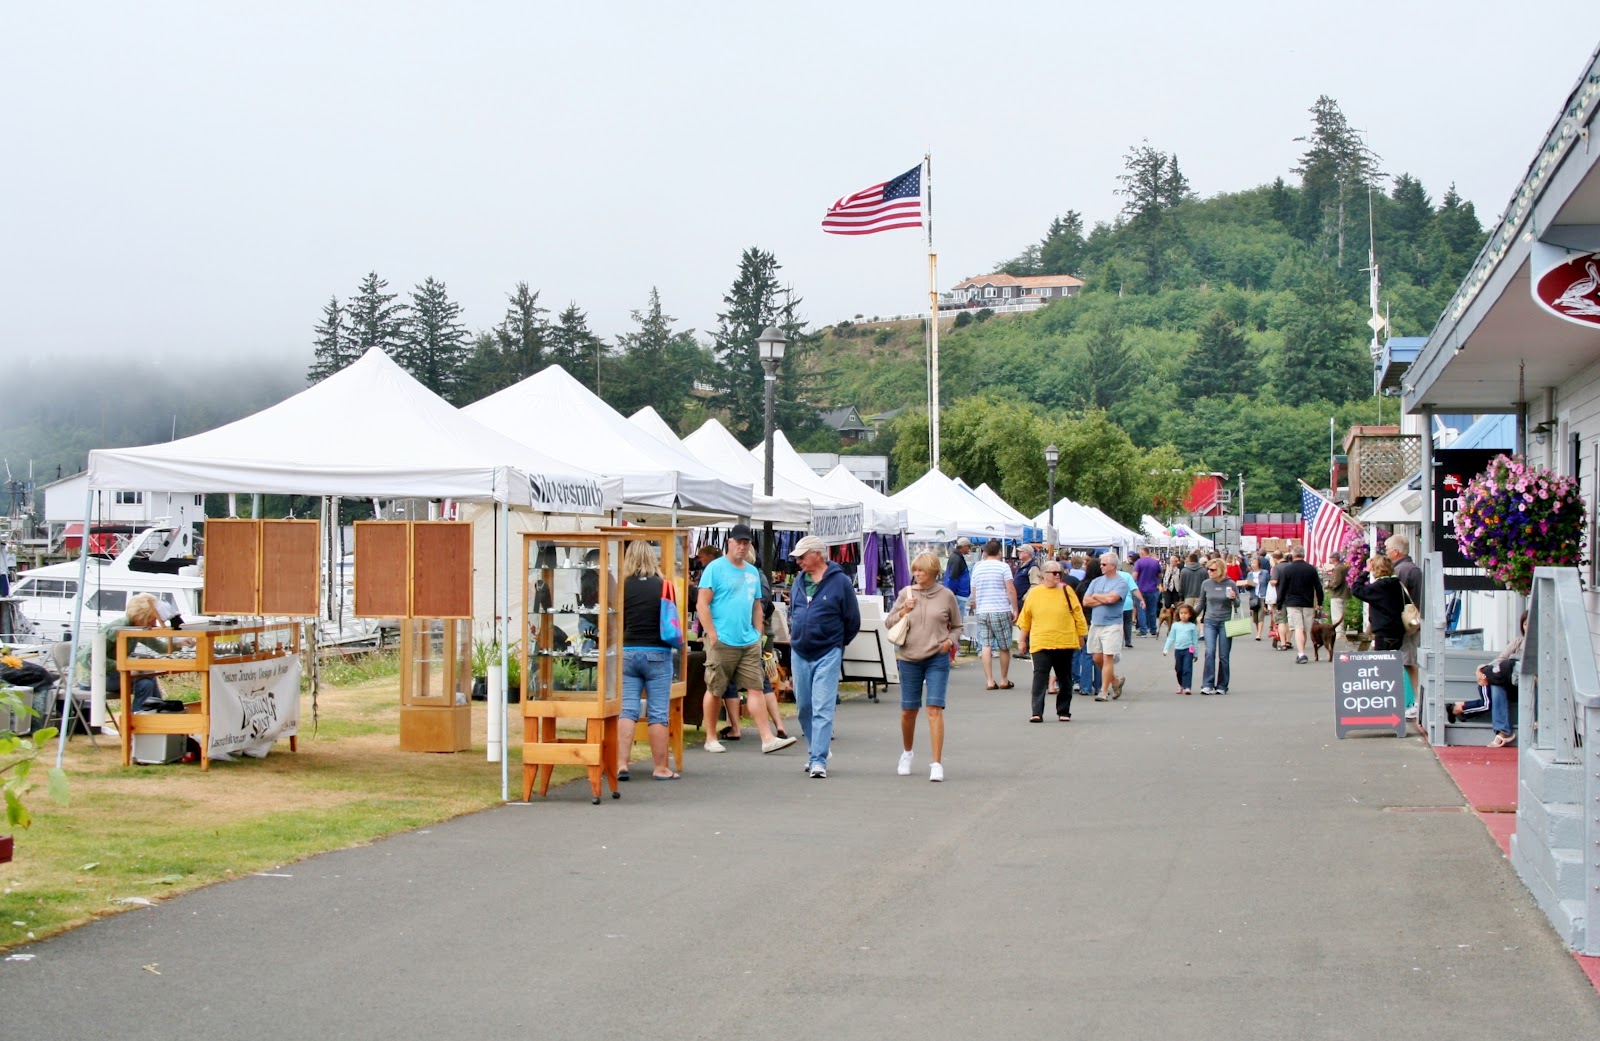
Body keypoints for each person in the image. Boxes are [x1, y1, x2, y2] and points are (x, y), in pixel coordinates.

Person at [696, 524, 794, 755]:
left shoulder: (752, 572)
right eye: (738, 542)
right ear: (729, 543)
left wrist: (758, 632)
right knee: (715, 688)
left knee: (756, 688)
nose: (741, 546)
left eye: (746, 543)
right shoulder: (715, 568)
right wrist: (711, 633)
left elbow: (757, 605)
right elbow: (702, 603)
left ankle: (767, 738)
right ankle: (711, 737)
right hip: (722, 639)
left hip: (747, 640)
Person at [884, 551, 962, 781]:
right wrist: (903, 610)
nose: (917, 574)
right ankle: (907, 752)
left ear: (933, 572)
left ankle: (936, 763)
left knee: (934, 708)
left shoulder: (946, 595)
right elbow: (889, 622)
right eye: (915, 570)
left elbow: (957, 625)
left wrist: (949, 642)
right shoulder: (905, 593)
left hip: (937, 657)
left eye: (922, 571)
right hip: (909, 657)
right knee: (909, 710)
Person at [787, 535, 861, 778]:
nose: (798, 561)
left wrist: (838, 645)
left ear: (817, 554)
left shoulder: (840, 582)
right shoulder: (798, 581)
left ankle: (818, 759)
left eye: (802, 556)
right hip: (799, 650)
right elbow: (794, 611)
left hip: (828, 651)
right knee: (803, 707)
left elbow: (852, 620)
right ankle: (815, 750)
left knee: (822, 706)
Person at [617, 541, 680, 780]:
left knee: (627, 710)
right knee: (657, 713)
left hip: (628, 651)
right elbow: (673, 619)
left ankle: (622, 763)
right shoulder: (664, 586)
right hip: (658, 653)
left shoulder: (623, 587)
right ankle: (661, 767)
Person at [76, 592, 183, 711]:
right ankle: (146, 717)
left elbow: (160, 648)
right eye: (152, 619)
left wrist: (180, 643)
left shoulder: (137, 628)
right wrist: (127, 668)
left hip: (111, 673)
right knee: (145, 682)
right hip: (93, 676)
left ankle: (154, 714)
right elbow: (92, 658)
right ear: (142, 616)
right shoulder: (117, 629)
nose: (154, 624)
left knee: (147, 680)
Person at [1016, 560, 1088, 722]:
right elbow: (1026, 618)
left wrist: (1081, 635)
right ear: (1044, 574)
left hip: (1064, 640)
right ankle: (1036, 712)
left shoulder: (1066, 590)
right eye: (1054, 573)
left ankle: (1063, 711)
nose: (1058, 576)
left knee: (1064, 677)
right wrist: (1022, 640)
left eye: (1060, 573)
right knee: (1040, 677)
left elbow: (1078, 614)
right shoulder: (1035, 593)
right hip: (1041, 641)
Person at [1451, 611, 1525, 746]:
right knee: (1496, 684)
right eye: (1525, 624)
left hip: (1527, 686)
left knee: (1488, 701)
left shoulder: (1543, 645)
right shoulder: (1518, 642)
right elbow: (1501, 658)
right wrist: (1483, 669)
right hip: (1509, 682)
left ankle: (1459, 708)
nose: (1527, 627)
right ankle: (1503, 732)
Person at [969, 539, 1018, 690]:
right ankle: (1004, 679)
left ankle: (990, 680)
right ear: (999, 552)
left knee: (986, 644)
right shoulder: (1003, 567)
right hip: (1000, 608)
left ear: (984, 552)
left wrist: (976, 604)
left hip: (983, 609)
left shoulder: (977, 567)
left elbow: (974, 589)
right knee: (1004, 646)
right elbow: (1010, 589)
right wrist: (1015, 608)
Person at [1081, 552, 1129, 702]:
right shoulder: (1096, 581)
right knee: (1096, 657)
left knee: (1108, 657)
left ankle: (1103, 691)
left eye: (1104, 564)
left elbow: (1112, 599)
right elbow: (1086, 601)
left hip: (1112, 624)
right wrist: (1103, 599)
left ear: (1113, 566)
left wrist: (1097, 597)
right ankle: (1115, 681)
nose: (1100, 566)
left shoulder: (1121, 583)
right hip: (1096, 623)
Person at [1385, 533, 1424, 718]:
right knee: (1408, 661)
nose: (1385, 553)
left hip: (1408, 624)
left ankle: (1416, 701)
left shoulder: (1401, 571)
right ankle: (1415, 701)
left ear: (1395, 551)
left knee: (1409, 662)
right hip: (1414, 622)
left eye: (1387, 550)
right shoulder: (1413, 568)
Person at [1194, 559, 1239, 694]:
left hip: (1225, 621)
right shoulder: (1206, 584)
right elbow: (1201, 603)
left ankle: (1222, 685)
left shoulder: (1230, 583)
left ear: (1220, 570)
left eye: (1212, 569)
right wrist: (1190, 616)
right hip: (1210, 621)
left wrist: (1233, 598)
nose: (1209, 571)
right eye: (1208, 569)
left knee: (1224, 655)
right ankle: (1207, 683)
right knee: (1209, 652)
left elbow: (1237, 605)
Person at [1274, 547, 1325, 665]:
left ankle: (1301, 653)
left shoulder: (1288, 569)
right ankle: (1301, 651)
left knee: (1298, 628)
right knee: (1305, 629)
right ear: (1303, 555)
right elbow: (1318, 587)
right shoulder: (1311, 569)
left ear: (1293, 555)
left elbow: (1282, 589)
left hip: (1292, 603)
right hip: (1307, 603)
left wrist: (1279, 604)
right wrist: (1320, 603)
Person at [1352, 554, 1406, 651]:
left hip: (1383, 630)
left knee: (1383, 663)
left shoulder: (1379, 587)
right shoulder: (1396, 584)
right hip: (1398, 629)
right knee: (1395, 661)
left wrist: (1366, 571)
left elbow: (1356, 589)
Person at [1162, 602, 1200, 695]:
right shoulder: (1175, 625)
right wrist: (1166, 649)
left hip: (1188, 650)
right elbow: (1171, 637)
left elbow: (1195, 640)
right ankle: (1180, 684)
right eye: (1181, 613)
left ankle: (1187, 686)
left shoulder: (1192, 626)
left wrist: (1195, 653)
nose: (1183, 615)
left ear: (1190, 615)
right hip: (1178, 649)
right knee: (1179, 669)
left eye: (1185, 613)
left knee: (1187, 668)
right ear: (1178, 614)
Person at [1133, 547, 1162, 637]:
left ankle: (1143, 630)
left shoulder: (1139, 562)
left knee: (1141, 610)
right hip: (1152, 589)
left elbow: (1135, 575)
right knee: (1152, 610)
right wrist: (1156, 581)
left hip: (1140, 589)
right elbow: (1160, 575)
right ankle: (1153, 630)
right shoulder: (1155, 562)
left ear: (1142, 553)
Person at [1118, 557, 1143, 648]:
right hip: (1128, 602)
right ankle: (1128, 641)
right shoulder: (1127, 575)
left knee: (1118, 623)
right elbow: (1134, 589)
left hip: (1116, 603)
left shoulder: (1109, 576)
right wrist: (1142, 599)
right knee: (1127, 622)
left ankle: (1119, 641)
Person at [1247, 554, 1272, 641]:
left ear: (1258, 563)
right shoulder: (1250, 574)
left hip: (1262, 596)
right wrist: (1247, 585)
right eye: (1251, 563)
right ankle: (1258, 631)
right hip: (1253, 597)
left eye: (1254, 563)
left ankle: (1258, 634)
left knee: (1261, 616)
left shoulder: (1264, 572)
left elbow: (1269, 583)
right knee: (1255, 618)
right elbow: (1247, 587)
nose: (1253, 565)